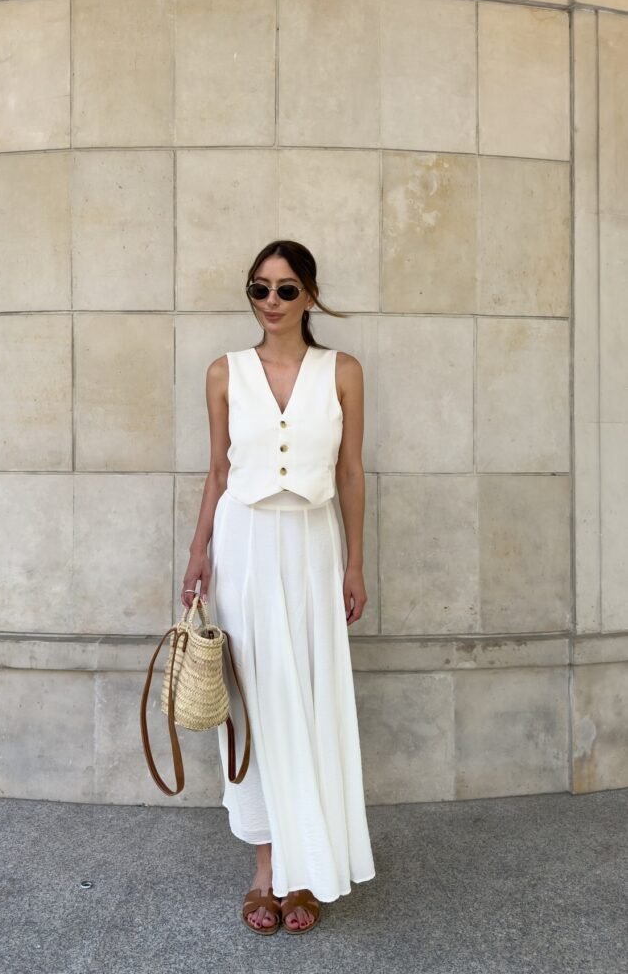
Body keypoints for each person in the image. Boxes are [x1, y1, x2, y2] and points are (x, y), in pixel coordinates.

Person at [180, 239, 376, 934]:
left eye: (286, 289)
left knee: (312, 697)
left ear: (310, 296)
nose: (271, 302)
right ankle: (267, 869)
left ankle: (307, 869)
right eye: (259, 289)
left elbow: (350, 474)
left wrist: (354, 564)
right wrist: (198, 552)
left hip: (312, 545)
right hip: (243, 547)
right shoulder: (224, 373)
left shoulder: (342, 371)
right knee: (255, 704)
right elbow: (216, 472)